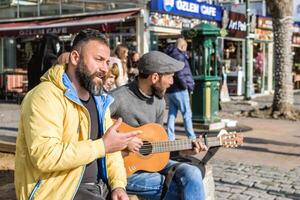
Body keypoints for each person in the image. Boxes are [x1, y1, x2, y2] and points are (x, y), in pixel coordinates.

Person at [15, 29, 141, 200]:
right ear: (75, 58)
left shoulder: (100, 100)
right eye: (98, 60)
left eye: (106, 62)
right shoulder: (44, 96)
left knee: (179, 177)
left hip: (100, 188)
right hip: (59, 192)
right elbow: (45, 156)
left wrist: (118, 186)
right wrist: (101, 146)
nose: (104, 68)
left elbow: (111, 152)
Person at [110, 51, 208, 200]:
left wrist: (183, 151)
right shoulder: (118, 97)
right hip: (122, 169)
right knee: (176, 189)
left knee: (193, 173)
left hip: (149, 163)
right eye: (170, 76)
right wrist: (123, 141)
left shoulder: (159, 102)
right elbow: (92, 126)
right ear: (154, 77)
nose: (172, 82)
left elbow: (156, 145)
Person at [164, 38, 196, 141]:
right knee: (187, 113)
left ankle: (170, 136)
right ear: (182, 46)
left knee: (172, 114)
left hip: (170, 89)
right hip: (179, 89)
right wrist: (186, 86)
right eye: (185, 48)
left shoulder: (169, 54)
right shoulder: (179, 55)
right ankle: (191, 137)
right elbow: (181, 73)